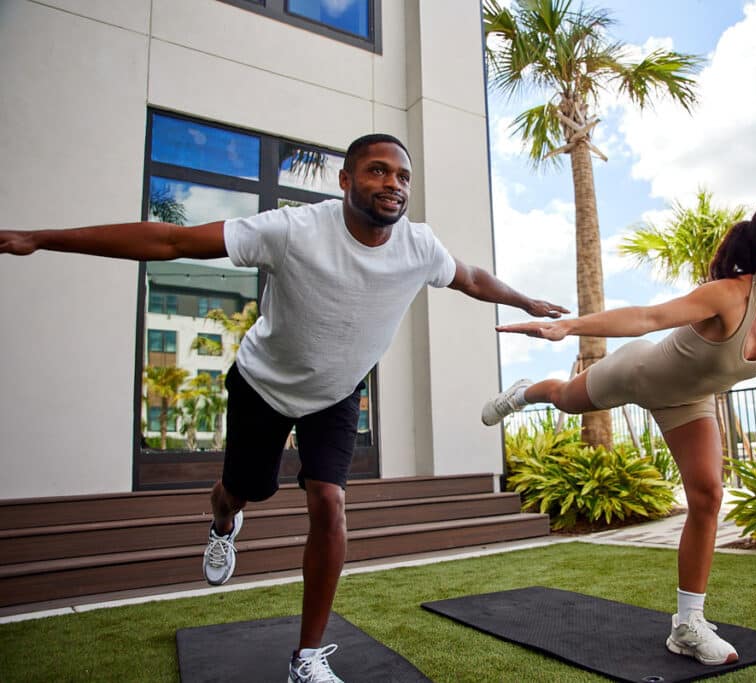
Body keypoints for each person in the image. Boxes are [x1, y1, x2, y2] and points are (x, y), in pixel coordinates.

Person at [0, 133, 568, 683]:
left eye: (402, 177)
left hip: (337, 394)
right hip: (263, 384)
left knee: (329, 503)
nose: (392, 184)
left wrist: (528, 301)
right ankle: (224, 521)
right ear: (346, 180)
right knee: (244, 488)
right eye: (377, 171)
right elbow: (172, 242)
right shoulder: (293, 229)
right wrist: (42, 237)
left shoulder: (419, 245)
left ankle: (307, 656)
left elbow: (468, 276)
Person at [481, 197, 756, 666]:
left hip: (689, 402)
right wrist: (569, 327)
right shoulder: (728, 295)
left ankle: (687, 625)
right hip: (638, 373)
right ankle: (523, 393)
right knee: (564, 398)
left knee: (707, 497)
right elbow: (648, 317)